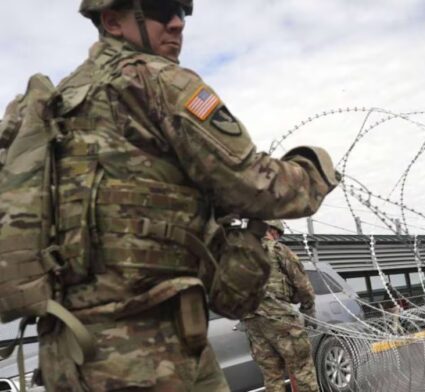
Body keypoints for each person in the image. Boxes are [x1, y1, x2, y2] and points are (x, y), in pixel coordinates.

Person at [37, 1, 340, 390]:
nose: (177, 23)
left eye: (183, 10)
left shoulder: (57, 105)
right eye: (160, 9)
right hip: (149, 348)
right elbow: (258, 186)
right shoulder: (159, 81)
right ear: (112, 21)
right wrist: (315, 170)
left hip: (68, 351)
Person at [242, 220, 319, 392]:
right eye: (277, 233)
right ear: (271, 230)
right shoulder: (278, 250)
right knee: (302, 369)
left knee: (272, 376)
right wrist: (309, 310)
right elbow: (303, 286)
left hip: (252, 322)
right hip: (280, 317)